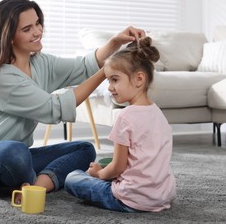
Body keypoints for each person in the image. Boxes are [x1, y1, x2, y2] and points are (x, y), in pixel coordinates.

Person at [0, 0, 145, 196]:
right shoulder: (2, 77)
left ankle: (35, 188)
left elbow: (83, 66)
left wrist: (116, 41)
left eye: (37, 23)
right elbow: (54, 109)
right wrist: (106, 71)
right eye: (27, 29)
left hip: (19, 157)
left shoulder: (40, 63)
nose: (37, 32)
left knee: (84, 150)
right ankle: (29, 178)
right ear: (9, 36)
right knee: (15, 152)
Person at [64, 36, 176, 212]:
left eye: (115, 80)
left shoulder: (125, 117)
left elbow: (117, 168)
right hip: (162, 197)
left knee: (72, 178)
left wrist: (99, 174)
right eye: (108, 80)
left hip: (130, 198)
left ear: (139, 79)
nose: (109, 87)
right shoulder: (159, 115)